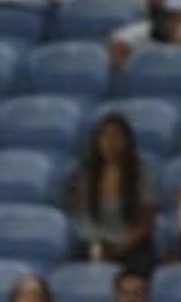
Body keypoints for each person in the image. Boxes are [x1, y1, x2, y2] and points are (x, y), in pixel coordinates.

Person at [65, 112, 158, 269]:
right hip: (94, 242)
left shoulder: (142, 173)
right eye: (105, 137)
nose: (110, 143)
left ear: (127, 141)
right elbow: (80, 212)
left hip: (131, 246)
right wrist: (97, 245)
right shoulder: (85, 173)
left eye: (116, 137)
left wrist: (119, 248)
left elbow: (147, 223)